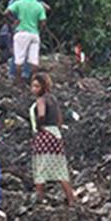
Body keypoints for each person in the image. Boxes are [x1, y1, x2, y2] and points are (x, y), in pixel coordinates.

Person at [30, 73, 76, 206]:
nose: (34, 89)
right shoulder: (53, 99)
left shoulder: (41, 100)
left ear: (43, 87)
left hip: (45, 135)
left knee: (40, 166)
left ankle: (40, 198)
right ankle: (71, 199)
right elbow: (60, 120)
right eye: (33, 86)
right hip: (55, 134)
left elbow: (41, 115)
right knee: (60, 168)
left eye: (37, 86)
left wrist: (39, 127)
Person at [9, 0, 47, 77]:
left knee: (19, 60)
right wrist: (39, 30)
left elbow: (6, 12)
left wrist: (13, 21)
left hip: (22, 32)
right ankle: (33, 80)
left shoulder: (19, 2)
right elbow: (43, 22)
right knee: (34, 61)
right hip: (34, 33)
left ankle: (17, 81)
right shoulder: (39, 5)